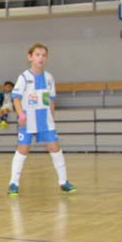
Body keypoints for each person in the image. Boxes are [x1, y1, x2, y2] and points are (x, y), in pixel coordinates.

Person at [8, 44, 76, 195]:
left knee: (55, 147)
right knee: (23, 149)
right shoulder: (24, 77)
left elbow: (51, 100)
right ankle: (13, 183)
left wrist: (52, 118)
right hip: (28, 120)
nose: (41, 58)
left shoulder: (49, 78)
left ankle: (64, 181)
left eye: (44, 55)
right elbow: (16, 98)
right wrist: (21, 115)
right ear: (30, 57)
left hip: (45, 120)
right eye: (37, 54)